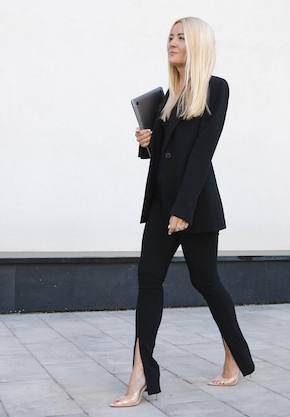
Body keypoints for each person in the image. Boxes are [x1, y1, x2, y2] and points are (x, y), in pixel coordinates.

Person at [110, 17, 255, 408]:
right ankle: (140, 376)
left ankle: (234, 359)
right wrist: (146, 143)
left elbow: (202, 153)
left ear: (197, 44)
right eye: (169, 37)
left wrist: (183, 210)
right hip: (161, 205)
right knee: (148, 283)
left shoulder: (215, 88)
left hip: (195, 206)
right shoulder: (167, 96)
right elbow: (163, 156)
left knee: (206, 282)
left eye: (180, 37)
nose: (171, 43)